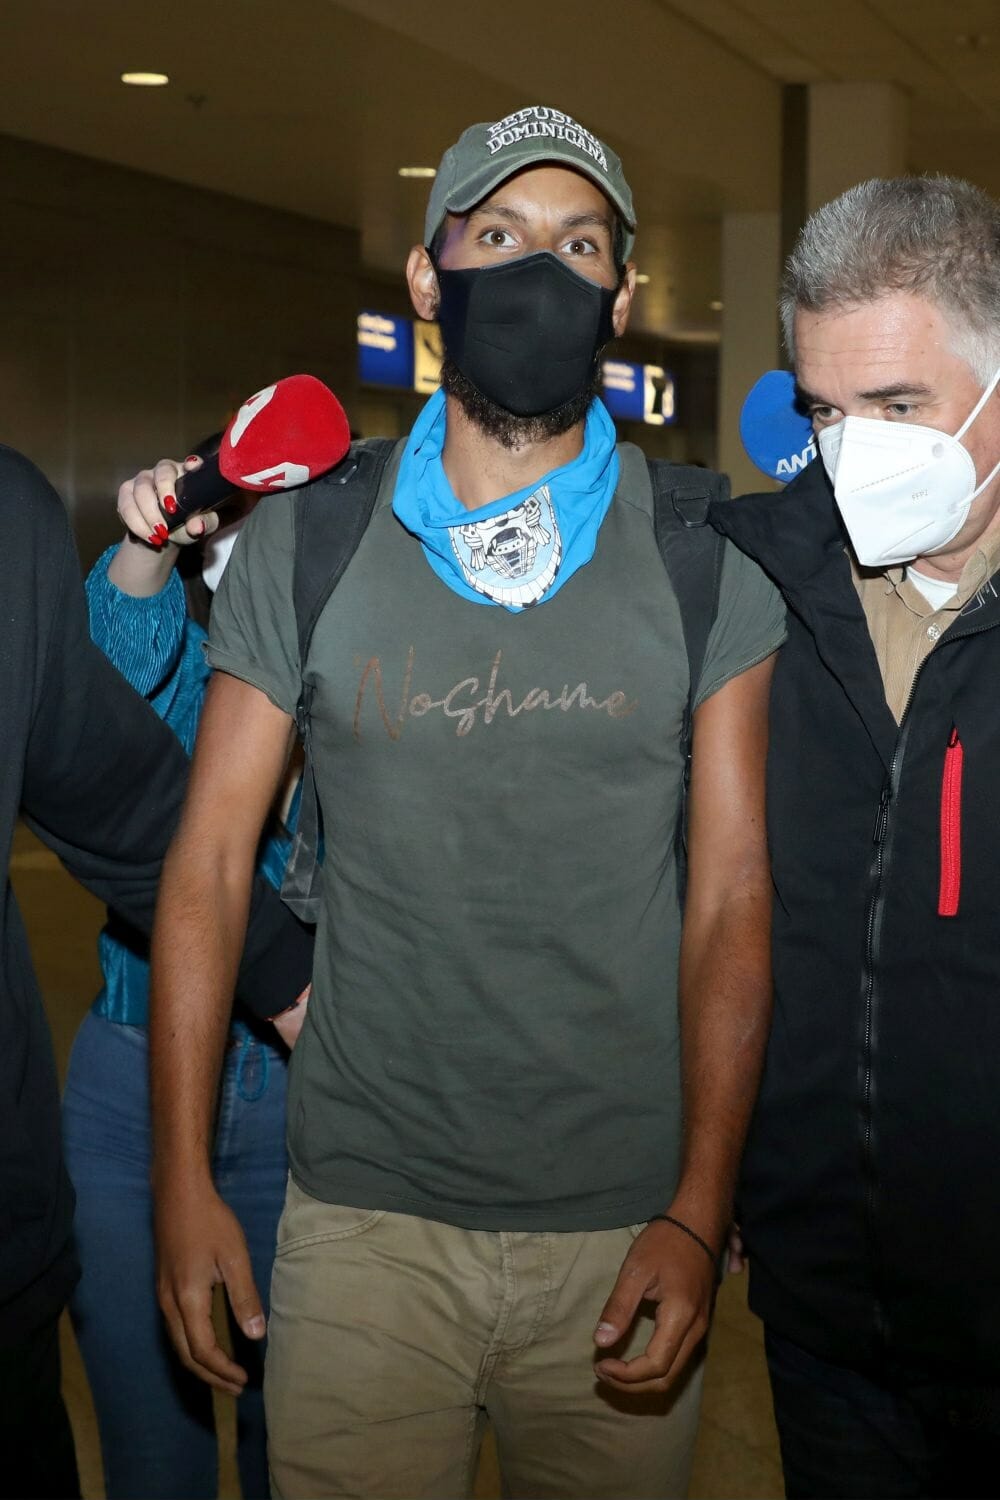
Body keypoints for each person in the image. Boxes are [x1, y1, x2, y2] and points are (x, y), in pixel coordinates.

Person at [150, 104, 786, 1500]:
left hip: (622, 1225)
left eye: (579, 246)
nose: (539, 271)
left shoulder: (705, 557)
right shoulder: (312, 537)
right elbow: (206, 863)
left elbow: (734, 894)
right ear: (427, 280)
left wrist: (701, 1202)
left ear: (621, 294)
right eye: (497, 236)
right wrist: (181, 1180)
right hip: (363, 1221)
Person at [713, 176, 1000, 1500]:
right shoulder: (758, 585)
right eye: (825, 412)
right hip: (826, 1314)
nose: (855, 453)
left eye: (898, 406)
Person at [0, 445, 312, 1499]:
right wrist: (146, 551)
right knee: (150, 1459)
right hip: (128, 1090)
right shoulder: (194, 658)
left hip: (307, 1098)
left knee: (300, 1454)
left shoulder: (375, 679)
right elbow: (94, 700)